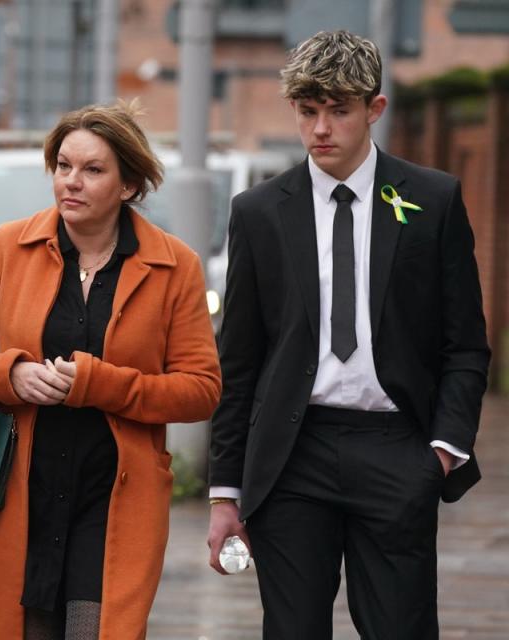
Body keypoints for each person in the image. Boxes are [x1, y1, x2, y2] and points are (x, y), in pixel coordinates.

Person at [207, 30, 490, 639]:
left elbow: (465, 344)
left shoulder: (431, 200)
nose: (321, 129)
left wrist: (441, 452)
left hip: (396, 448)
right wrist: (225, 493)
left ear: (374, 109)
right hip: (292, 455)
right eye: (308, 112)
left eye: (338, 110)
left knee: (401, 629)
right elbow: (240, 359)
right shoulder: (258, 211)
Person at [0, 101, 221, 639]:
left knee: (97, 627)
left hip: (114, 500)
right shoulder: (8, 248)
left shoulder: (174, 265)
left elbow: (201, 391)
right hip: (17, 495)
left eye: (93, 170)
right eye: (63, 166)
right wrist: (13, 375)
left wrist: (100, 384)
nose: (72, 182)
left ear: (129, 185)